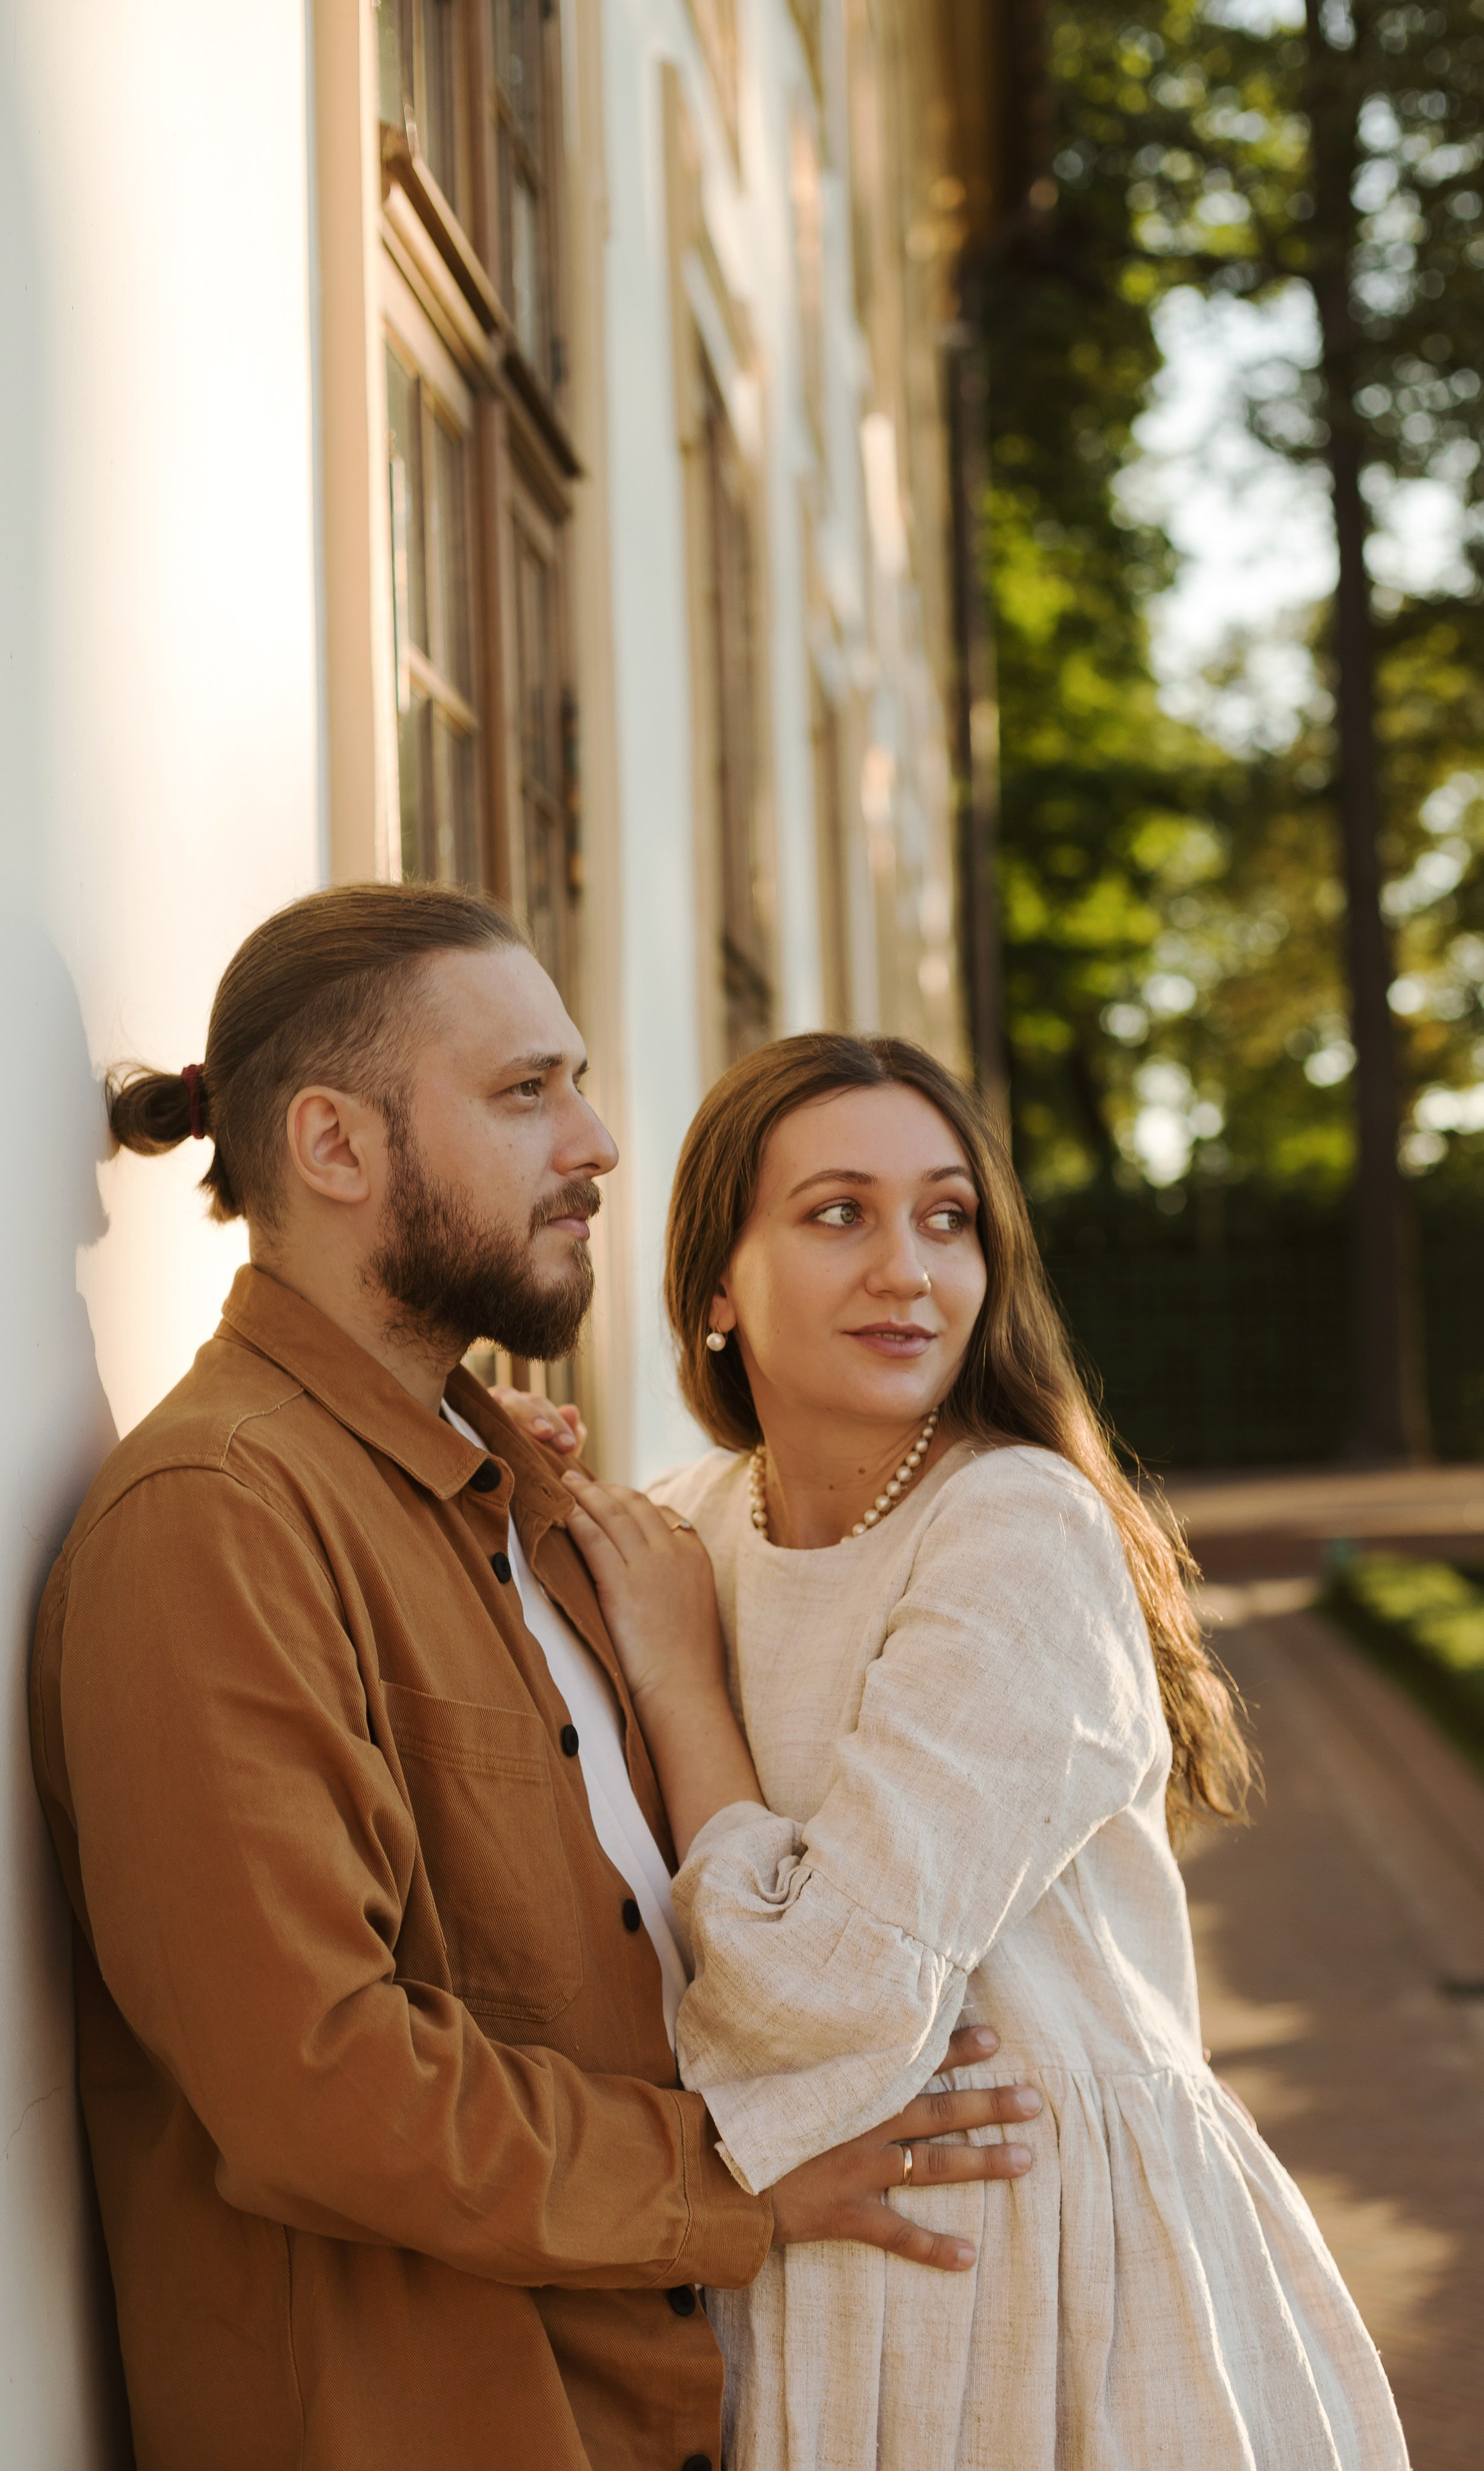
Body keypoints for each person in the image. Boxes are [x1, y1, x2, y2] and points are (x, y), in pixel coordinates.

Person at [29, 890, 1041, 2471]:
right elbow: (310, 2075)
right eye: (525, 1092)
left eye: (572, 1079)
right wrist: (729, 2180)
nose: (598, 1139)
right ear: (335, 1147)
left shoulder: (518, 1497)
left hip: (650, 2402)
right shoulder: (217, 1516)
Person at [503, 1031, 1411, 2471]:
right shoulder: (685, 1520)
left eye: (946, 1218)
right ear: (715, 1286)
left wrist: (680, 1681)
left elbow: (827, 1996)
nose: (906, 1270)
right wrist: (494, 1465)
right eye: (835, 1213)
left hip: (1033, 2271)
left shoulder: (1014, 1526)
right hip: (797, 2274)